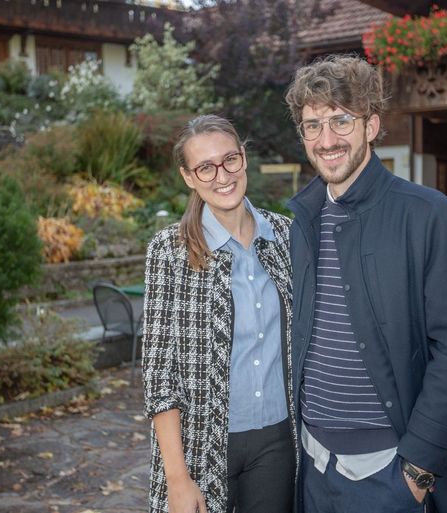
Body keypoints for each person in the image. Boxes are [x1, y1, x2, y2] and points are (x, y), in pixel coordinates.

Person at [283, 55, 447, 513]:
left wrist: (417, 470)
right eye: (313, 125)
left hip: (387, 475)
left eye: (340, 121)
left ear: (371, 125)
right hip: (311, 468)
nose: (326, 140)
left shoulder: (429, 215)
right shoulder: (302, 221)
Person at [142, 115, 297, 513]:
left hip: (278, 441)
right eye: (205, 167)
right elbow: (160, 374)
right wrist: (177, 478)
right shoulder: (170, 250)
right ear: (188, 177)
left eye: (230, 160)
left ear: (244, 159)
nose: (221, 175)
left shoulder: (286, 237)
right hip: (200, 445)